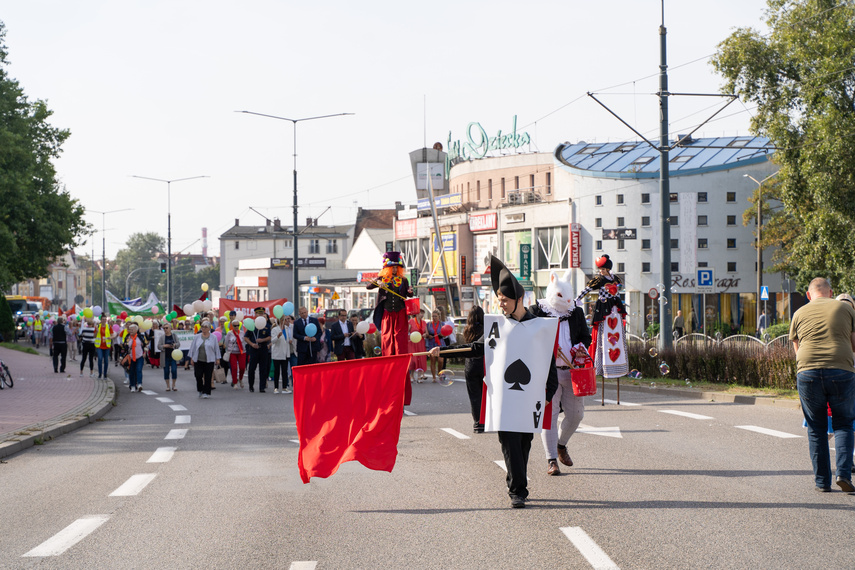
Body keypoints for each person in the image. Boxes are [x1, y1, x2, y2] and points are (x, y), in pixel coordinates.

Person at [430, 255, 557, 508]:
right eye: (499, 300)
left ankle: (516, 480)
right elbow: (476, 348)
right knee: (508, 441)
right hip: (504, 397)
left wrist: (549, 393)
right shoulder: (497, 326)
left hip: (531, 398)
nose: (501, 305)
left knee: (524, 443)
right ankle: (517, 491)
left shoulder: (540, 327)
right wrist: (442, 352)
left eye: (505, 300)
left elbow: (548, 363)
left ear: (519, 299)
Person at [789, 277, 855, 493]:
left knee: (816, 429)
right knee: (844, 424)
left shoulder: (799, 313)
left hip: (808, 372)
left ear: (809, 295)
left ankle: (821, 482)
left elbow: (797, 349)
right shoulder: (845, 308)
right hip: (841, 370)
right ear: (830, 292)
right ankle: (844, 475)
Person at [574, 254, 628, 378]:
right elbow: (586, 290)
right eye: (600, 269)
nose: (601, 271)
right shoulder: (599, 280)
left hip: (614, 309)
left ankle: (618, 366)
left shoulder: (615, 280)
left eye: (603, 269)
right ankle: (601, 365)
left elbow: (618, 294)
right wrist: (577, 299)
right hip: (604, 310)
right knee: (604, 336)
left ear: (608, 269)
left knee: (616, 335)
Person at [461, 306, 485, 433]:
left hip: (470, 364)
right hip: (484, 363)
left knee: (474, 395)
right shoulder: (486, 329)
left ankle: (478, 423)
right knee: (486, 394)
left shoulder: (467, 329)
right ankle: (487, 420)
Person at [188, 322, 222, 399]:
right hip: (198, 360)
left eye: (206, 327)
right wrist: (191, 358)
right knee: (198, 375)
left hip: (209, 360)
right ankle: (200, 389)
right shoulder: (197, 337)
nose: (204, 328)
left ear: (209, 328)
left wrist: (218, 359)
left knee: (208, 376)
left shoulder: (213, 337)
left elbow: (216, 348)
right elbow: (192, 348)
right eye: (202, 327)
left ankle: (206, 392)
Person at [157, 322, 181, 391]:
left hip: (174, 356)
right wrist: (165, 346)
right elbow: (158, 346)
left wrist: (174, 345)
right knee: (166, 371)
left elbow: (178, 344)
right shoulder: (162, 337)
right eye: (164, 328)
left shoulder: (174, 336)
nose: (165, 329)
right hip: (165, 356)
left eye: (167, 328)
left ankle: (174, 385)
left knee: (174, 370)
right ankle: (168, 385)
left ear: (170, 328)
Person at [253, 307, 272, 393]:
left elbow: (270, 336)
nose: (260, 315)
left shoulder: (267, 325)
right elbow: (246, 336)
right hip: (254, 349)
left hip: (264, 348)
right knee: (252, 368)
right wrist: (252, 344)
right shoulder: (252, 324)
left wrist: (263, 340)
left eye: (262, 313)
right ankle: (251, 385)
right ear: (255, 314)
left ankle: (262, 386)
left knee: (263, 368)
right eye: (258, 313)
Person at [224, 320, 247, 389]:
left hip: (242, 352)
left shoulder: (242, 333)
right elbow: (226, 343)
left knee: (242, 367)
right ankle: (235, 382)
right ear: (232, 326)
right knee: (234, 368)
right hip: (233, 352)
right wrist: (229, 350)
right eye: (235, 325)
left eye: (238, 325)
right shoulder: (229, 333)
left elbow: (245, 342)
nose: (236, 327)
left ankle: (240, 378)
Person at [124, 323, 146, 392]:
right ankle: (132, 386)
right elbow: (124, 347)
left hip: (139, 356)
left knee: (139, 370)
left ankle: (139, 384)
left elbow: (145, 345)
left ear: (136, 330)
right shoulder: (128, 337)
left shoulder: (141, 337)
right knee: (131, 371)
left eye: (132, 329)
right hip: (130, 357)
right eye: (130, 329)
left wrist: (144, 353)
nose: (130, 331)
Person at [408, 309, 427, 381]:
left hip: (421, 342)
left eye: (423, 314)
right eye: (420, 313)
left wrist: (425, 334)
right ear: (416, 314)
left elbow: (426, 333)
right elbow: (408, 331)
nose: (422, 315)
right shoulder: (411, 321)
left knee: (420, 358)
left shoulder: (424, 322)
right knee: (413, 359)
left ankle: (419, 376)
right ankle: (411, 376)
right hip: (412, 342)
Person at [94, 314, 113, 379]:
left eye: (105, 319)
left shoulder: (108, 326)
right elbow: (94, 336)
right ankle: (100, 373)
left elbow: (112, 335)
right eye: (103, 319)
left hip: (107, 346)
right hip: (99, 345)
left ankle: (105, 374)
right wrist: (96, 332)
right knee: (99, 358)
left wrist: (110, 337)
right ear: (101, 320)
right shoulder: (98, 326)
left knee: (106, 361)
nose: (104, 320)